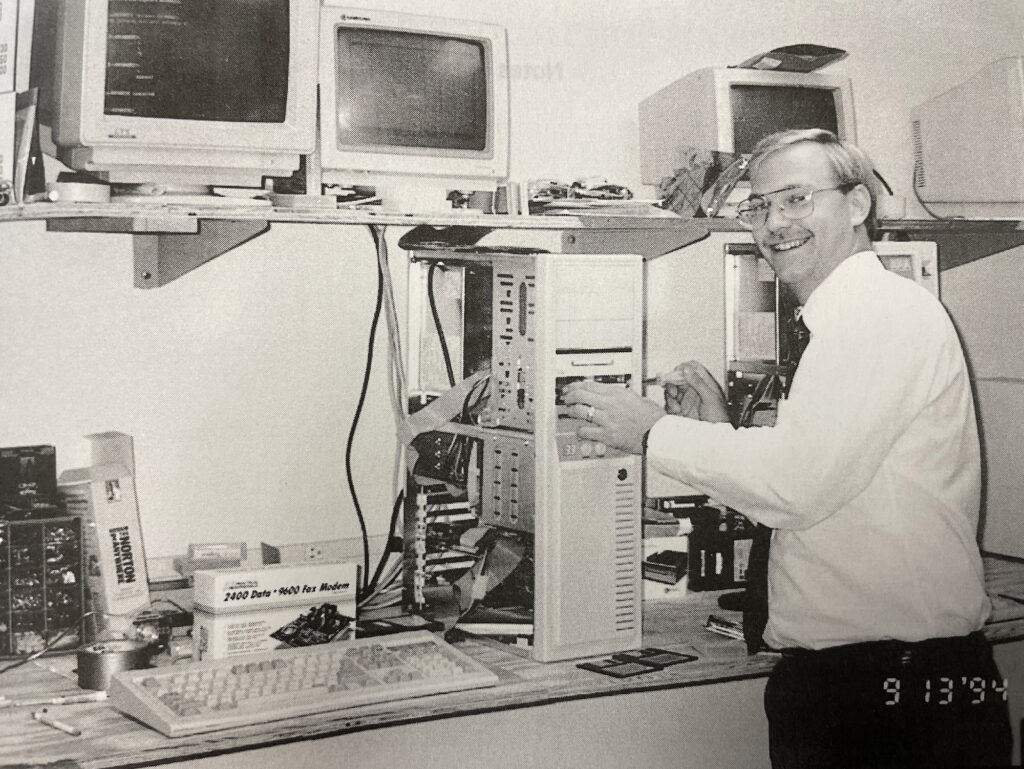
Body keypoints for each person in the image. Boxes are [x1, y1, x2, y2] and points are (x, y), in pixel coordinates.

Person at [562, 128, 1012, 768]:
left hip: (892, 691)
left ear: (857, 205)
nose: (774, 223)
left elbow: (798, 486)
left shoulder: (878, 315)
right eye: (759, 206)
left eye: (797, 199)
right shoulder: (848, 318)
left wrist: (651, 431)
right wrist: (718, 436)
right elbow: (827, 482)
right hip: (875, 679)